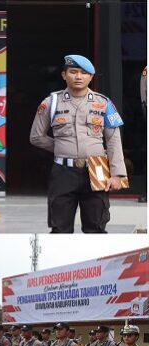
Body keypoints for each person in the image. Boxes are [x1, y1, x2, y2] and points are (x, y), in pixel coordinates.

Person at [29, 55, 127, 233]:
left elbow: (113, 140)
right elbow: (36, 137)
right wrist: (61, 147)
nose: (78, 77)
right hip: (63, 172)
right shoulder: (51, 103)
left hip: (96, 170)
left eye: (84, 73)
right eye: (73, 72)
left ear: (91, 77)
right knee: (60, 228)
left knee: (96, 226)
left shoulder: (103, 103)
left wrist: (118, 174)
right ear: (64, 75)